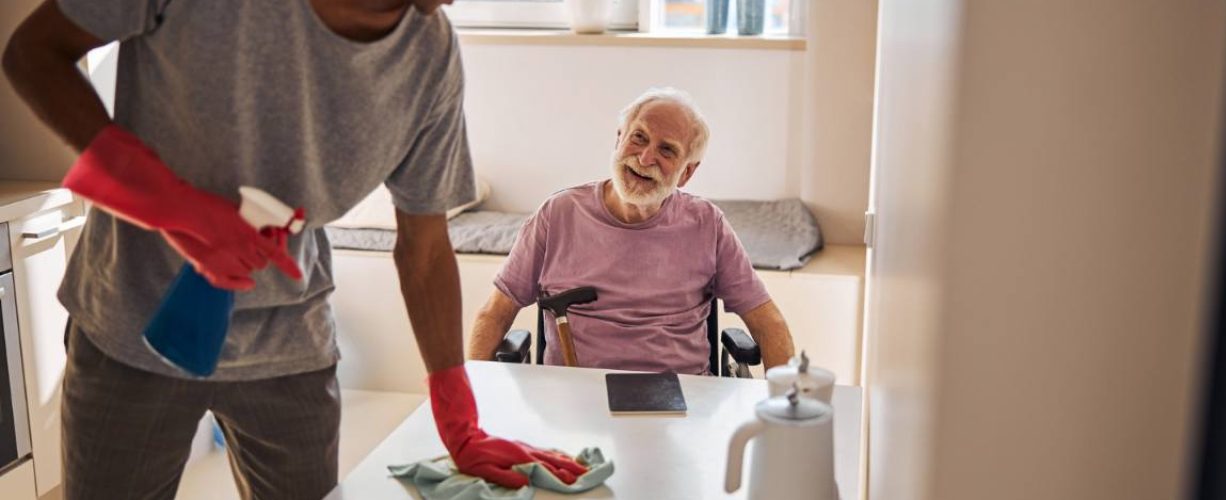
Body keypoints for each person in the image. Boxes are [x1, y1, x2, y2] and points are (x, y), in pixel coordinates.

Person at [2, 0, 584, 498]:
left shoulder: (428, 55)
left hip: (291, 349)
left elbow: (426, 248)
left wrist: (459, 419)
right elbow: (34, 53)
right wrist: (172, 207)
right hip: (131, 331)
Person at [467, 88, 796, 373]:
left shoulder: (707, 225)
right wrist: (472, 398)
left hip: (681, 401)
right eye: (638, 137)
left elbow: (769, 323)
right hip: (574, 399)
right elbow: (495, 314)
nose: (646, 157)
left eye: (667, 150)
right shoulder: (558, 214)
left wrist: (782, 413)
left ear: (686, 173)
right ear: (619, 139)